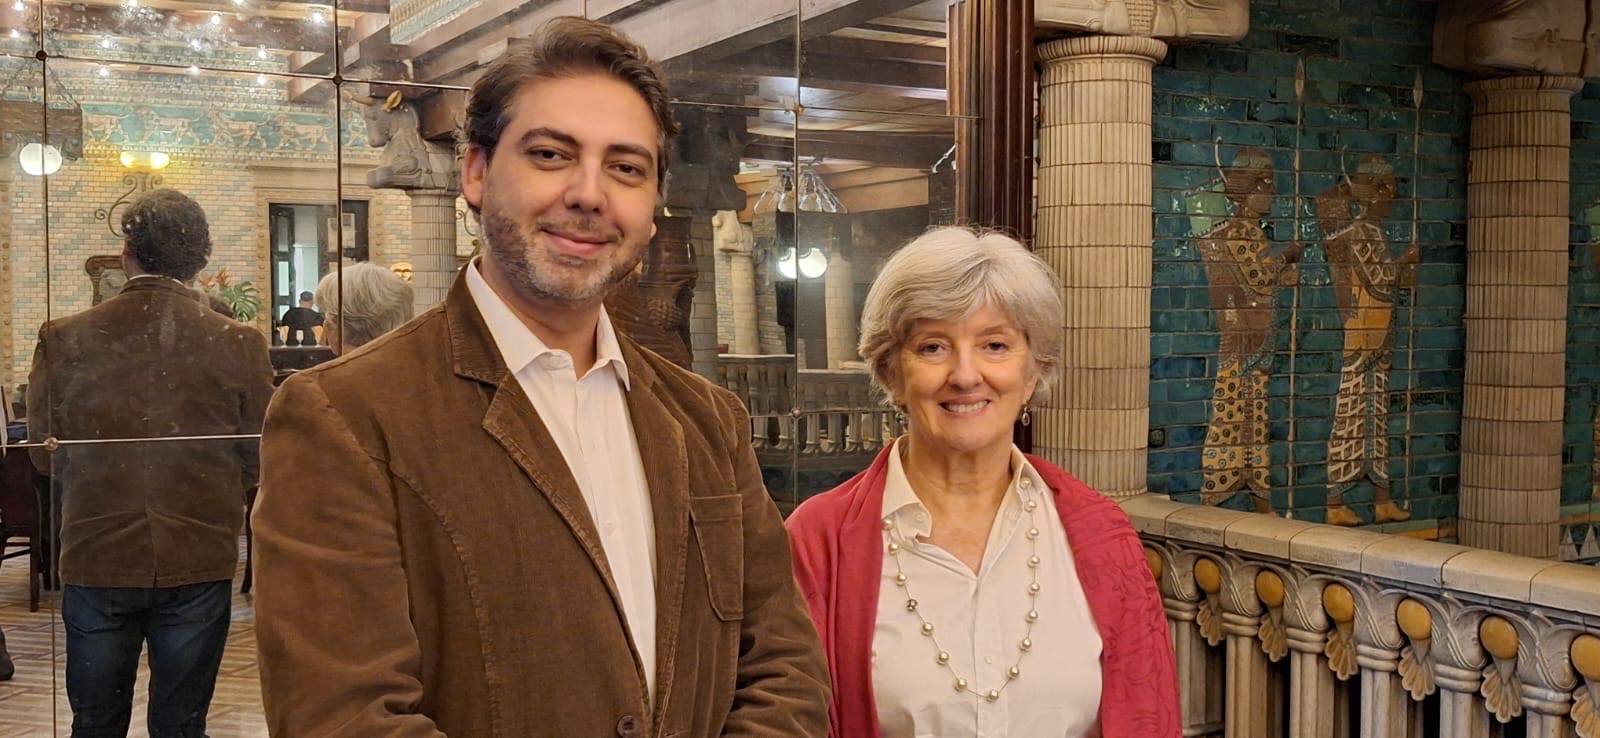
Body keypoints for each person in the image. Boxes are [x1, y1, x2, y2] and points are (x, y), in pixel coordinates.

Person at [250, 16, 830, 737]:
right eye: (552, 154)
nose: (589, 194)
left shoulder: (707, 419)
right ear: (475, 171)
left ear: (651, 209)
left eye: (625, 168)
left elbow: (785, 670)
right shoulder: (346, 416)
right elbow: (340, 717)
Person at [786, 228, 1180, 737]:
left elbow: (1149, 716)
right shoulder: (818, 541)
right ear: (891, 374)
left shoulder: (1102, 535)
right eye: (933, 347)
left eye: (995, 344)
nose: (966, 375)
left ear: (1033, 371)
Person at [26, 188, 275, 737]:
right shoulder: (237, 341)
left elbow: (46, 451)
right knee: (182, 725)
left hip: (97, 550)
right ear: (200, 259)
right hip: (199, 548)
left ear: (126, 252)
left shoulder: (65, 338)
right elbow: (259, 452)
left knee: (94, 723)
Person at [1197, 147, 1299, 514]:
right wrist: (1287, 256)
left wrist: (1282, 274)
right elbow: (1257, 276)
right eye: (1265, 184)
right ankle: (1218, 495)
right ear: (1247, 189)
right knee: (1232, 419)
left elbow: (1259, 281)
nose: (1271, 193)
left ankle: (1259, 497)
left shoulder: (1251, 231)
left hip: (1256, 345)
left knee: (1255, 422)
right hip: (1241, 345)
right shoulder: (1240, 231)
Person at [1316, 155, 1415, 526]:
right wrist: (1405, 261)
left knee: (1376, 418)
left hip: (1377, 336)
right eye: (1386, 188)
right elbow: (1378, 278)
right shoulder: (1361, 233)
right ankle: (1334, 500)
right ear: (1371, 193)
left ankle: (1381, 498)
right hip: (1363, 337)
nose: (1393, 196)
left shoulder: (1372, 232)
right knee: (1352, 415)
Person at [312, 262, 414, 355]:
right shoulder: (423, 370)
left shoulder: (322, 375)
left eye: (326, 315)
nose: (325, 324)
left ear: (337, 329)